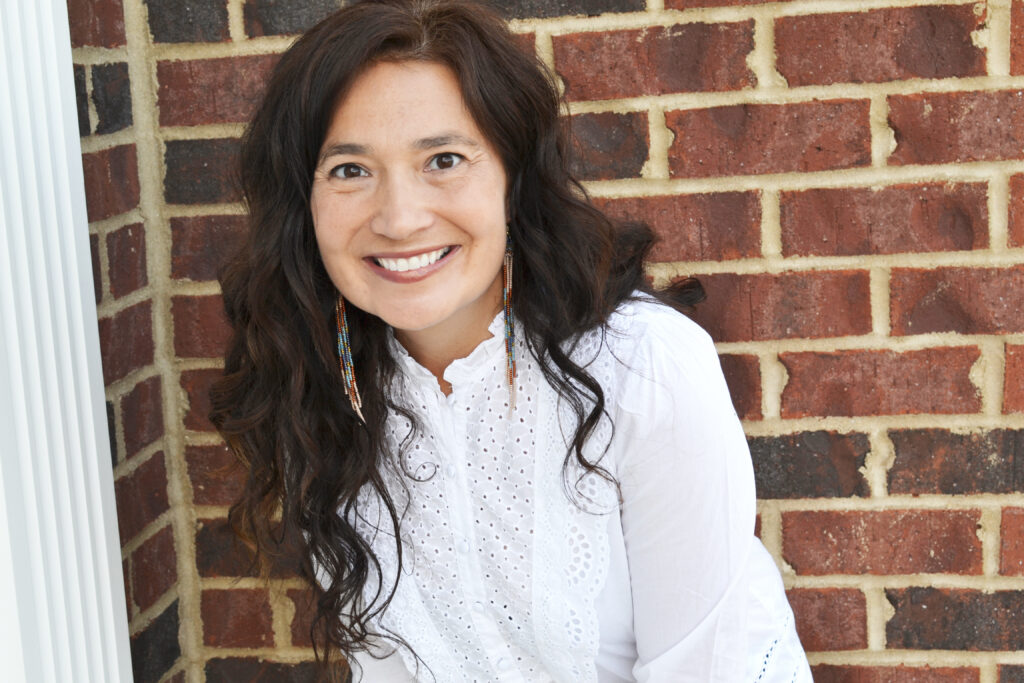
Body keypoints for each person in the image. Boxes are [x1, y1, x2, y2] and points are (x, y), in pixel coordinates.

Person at [210, 0, 812, 680]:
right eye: (350, 170)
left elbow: (709, 668)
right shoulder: (312, 382)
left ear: (511, 180)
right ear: (304, 202)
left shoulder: (642, 366)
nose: (401, 217)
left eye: (443, 159)